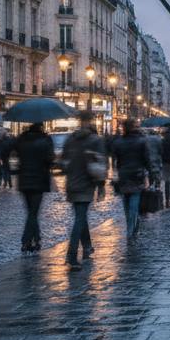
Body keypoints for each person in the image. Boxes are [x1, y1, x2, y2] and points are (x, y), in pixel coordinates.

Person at [62, 111, 106, 270]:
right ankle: (72, 255)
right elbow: (100, 166)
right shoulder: (96, 140)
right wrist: (101, 186)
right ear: (91, 121)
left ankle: (87, 245)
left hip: (71, 183)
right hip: (86, 184)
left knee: (80, 215)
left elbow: (63, 162)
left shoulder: (69, 139)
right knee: (80, 218)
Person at [13, 122, 55, 252]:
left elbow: (16, 154)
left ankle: (36, 240)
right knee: (33, 212)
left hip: (24, 179)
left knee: (31, 211)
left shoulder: (22, 139)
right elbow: (50, 159)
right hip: (38, 179)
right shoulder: (45, 140)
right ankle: (26, 241)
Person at [113, 119, 150, 239]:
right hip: (137, 175)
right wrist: (150, 175)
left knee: (126, 201)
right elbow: (147, 159)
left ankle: (130, 226)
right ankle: (131, 229)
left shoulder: (118, 142)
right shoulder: (142, 141)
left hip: (123, 175)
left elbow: (117, 161)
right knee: (134, 203)